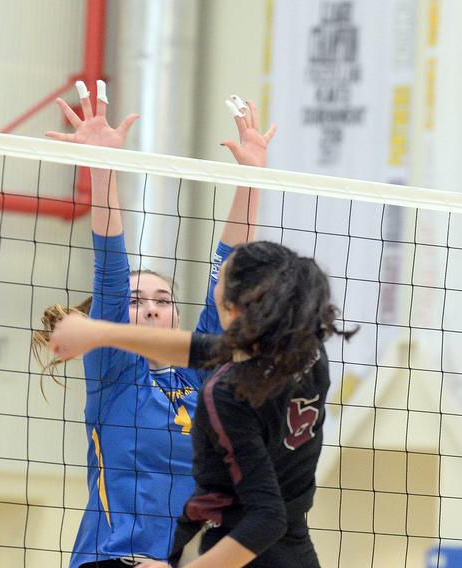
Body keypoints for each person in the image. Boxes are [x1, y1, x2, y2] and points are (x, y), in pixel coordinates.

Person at [32, 83, 275, 567]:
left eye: (162, 301)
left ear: (176, 319)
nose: (150, 308)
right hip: (110, 558)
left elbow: (230, 274)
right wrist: (103, 168)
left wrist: (252, 180)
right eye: (136, 301)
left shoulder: (199, 377)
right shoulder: (113, 374)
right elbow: (109, 266)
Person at [47, 241, 355, 568]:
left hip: (246, 547)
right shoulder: (310, 355)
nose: (214, 289)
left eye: (220, 280)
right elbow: (201, 349)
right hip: (292, 551)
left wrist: (98, 332)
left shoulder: (224, 394)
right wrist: (99, 332)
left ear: (234, 307)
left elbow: (267, 518)